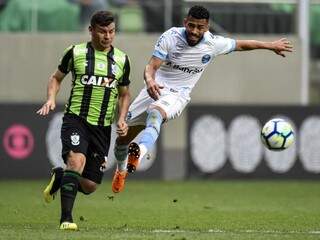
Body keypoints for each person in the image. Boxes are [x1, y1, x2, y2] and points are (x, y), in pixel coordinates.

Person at [110, 5, 293, 193]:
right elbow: (151, 66)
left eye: (200, 27)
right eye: (191, 26)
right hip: (154, 88)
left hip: (177, 94)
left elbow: (242, 44)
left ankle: (139, 152)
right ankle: (121, 170)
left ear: (207, 27)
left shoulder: (212, 44)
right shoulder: (170, 37)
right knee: (122, 139)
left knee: (155, 115)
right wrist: (149, 81)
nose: (195, 31)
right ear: (185, 23)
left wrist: (270, 46)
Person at [37, 11, 131, 230]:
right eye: (102, 31)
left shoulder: (122, 59)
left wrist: (122, 118)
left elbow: (124, 93)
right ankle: (66, 219)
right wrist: (51, 98)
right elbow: (56, 78)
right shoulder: (75, 52)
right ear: (91, 30)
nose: (107, 36)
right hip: (76, 119)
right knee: (76, 162)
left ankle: (61, 177)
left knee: (89, 185)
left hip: (102, 127)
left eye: (111, 31)